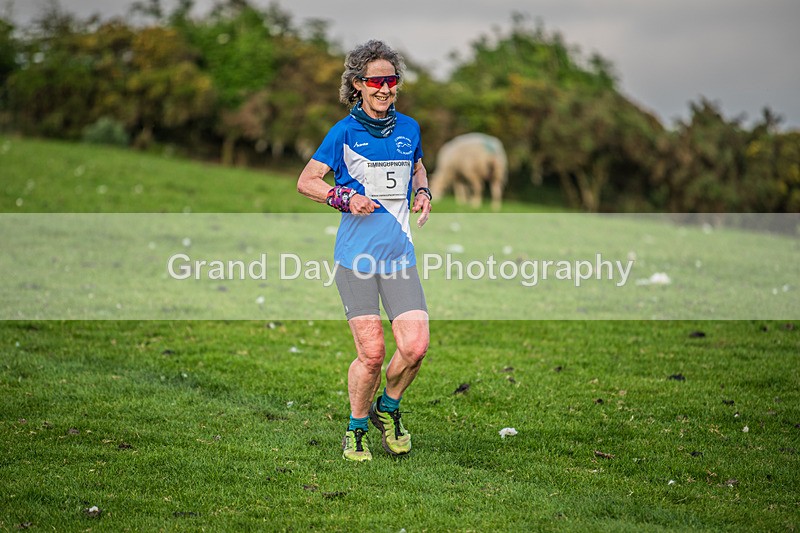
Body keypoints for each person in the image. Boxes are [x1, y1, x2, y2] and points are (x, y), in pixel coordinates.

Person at [297, 40, 432, 461]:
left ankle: (387, 408)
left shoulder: (410, 128)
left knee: (415, 347)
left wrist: (423, 189)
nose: (385, 88)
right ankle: (356, 430)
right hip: (356, 259)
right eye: (376, 81)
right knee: (371, 354)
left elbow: (417, 165)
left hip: (399, 257)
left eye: (391, 80)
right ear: (357, 84)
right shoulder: (343, 132)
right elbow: (307, 181)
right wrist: (342, 197)